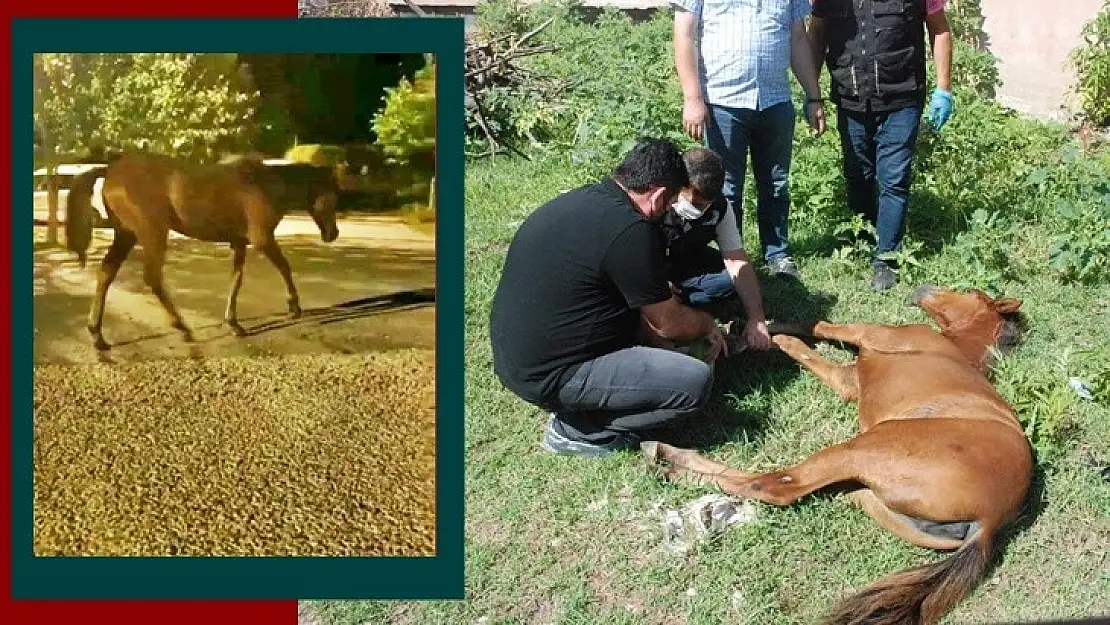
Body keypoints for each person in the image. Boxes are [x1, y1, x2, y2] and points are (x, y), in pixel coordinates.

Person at [489, 139, 729, 459]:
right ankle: (581, 429)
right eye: (672, 200)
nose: (672, 209)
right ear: (658, 195)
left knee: (665, 347)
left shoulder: (579, 200)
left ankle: (588, 403)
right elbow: (669, 324)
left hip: (517, 360)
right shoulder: (632, 230)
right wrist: (705, 323)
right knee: (692, 383)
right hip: (554, 373)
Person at [673, 0, 827, 284]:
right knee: (727, 188)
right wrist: (692, 97)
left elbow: (797, 37)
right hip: (723, 102)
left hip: (774, 100)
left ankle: (777, 255)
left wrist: (813, 96)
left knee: (776, 184)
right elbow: (684, 33)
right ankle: (731, 259)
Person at [808, 0, 953, 290]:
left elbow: (940, 30)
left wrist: (943, 90)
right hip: (850, 98)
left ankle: (886, 259)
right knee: (858, 173)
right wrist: (812, 93)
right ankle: (863, 235)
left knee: (893, 180)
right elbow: (816, 35)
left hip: (903, 99)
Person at [663, 147, 773, 351]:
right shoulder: (658, 203)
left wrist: (757, 319)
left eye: (705, 205)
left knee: (738, 279)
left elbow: (736, 260)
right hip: (655, 268)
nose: (699, 211)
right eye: (694, 204)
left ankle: (693, 302)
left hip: (690, 260)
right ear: (679, 185)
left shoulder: (720, 208)